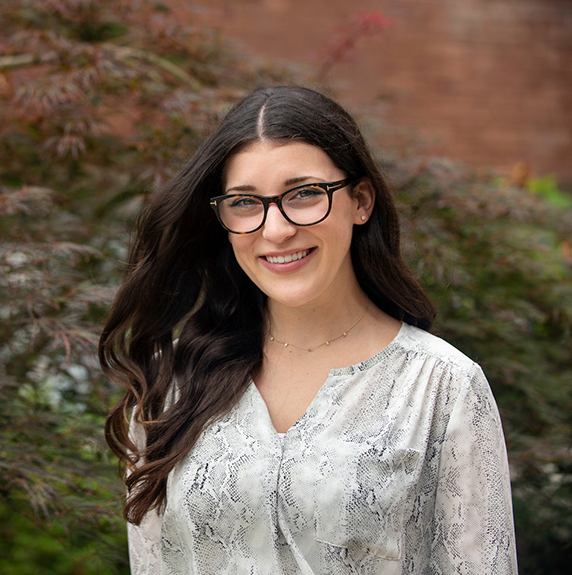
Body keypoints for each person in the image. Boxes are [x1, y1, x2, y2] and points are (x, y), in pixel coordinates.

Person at [99, 86, 517, 574]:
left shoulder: (442, 386)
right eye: (245, 203)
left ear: (361, 200)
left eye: (304, 194)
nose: (275, 230)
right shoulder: (169, 381)